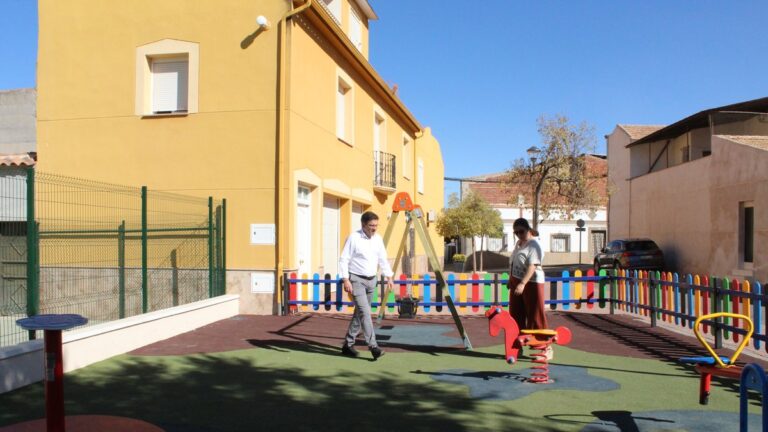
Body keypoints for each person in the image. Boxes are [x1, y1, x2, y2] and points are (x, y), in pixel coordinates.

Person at [339, 211, 395, 360]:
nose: (374, 228)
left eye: (376, 225)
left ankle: (348, 344)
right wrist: (346, 279)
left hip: (372, 280)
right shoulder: (353, 238)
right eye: (371, 225)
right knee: (365, 313)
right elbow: (344, 259)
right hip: (356, 279)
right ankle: (373, 346)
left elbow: (383, 259)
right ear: (363, 225)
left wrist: (389, 276)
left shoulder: (378, 239)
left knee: (360, 312)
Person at [508, 217, 552, 359]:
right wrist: (511, 279)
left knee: (535, 316)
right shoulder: (519, 244)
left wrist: (523, 283)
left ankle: (545, 348)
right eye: (516, 232)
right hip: (516, 282)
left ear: (528, 230)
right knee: (516, 315)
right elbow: (514, 262)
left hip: (532, 283)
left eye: (521, 231)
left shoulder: (534, 245)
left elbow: (533, 266)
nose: (519, 235)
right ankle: (517, 346)